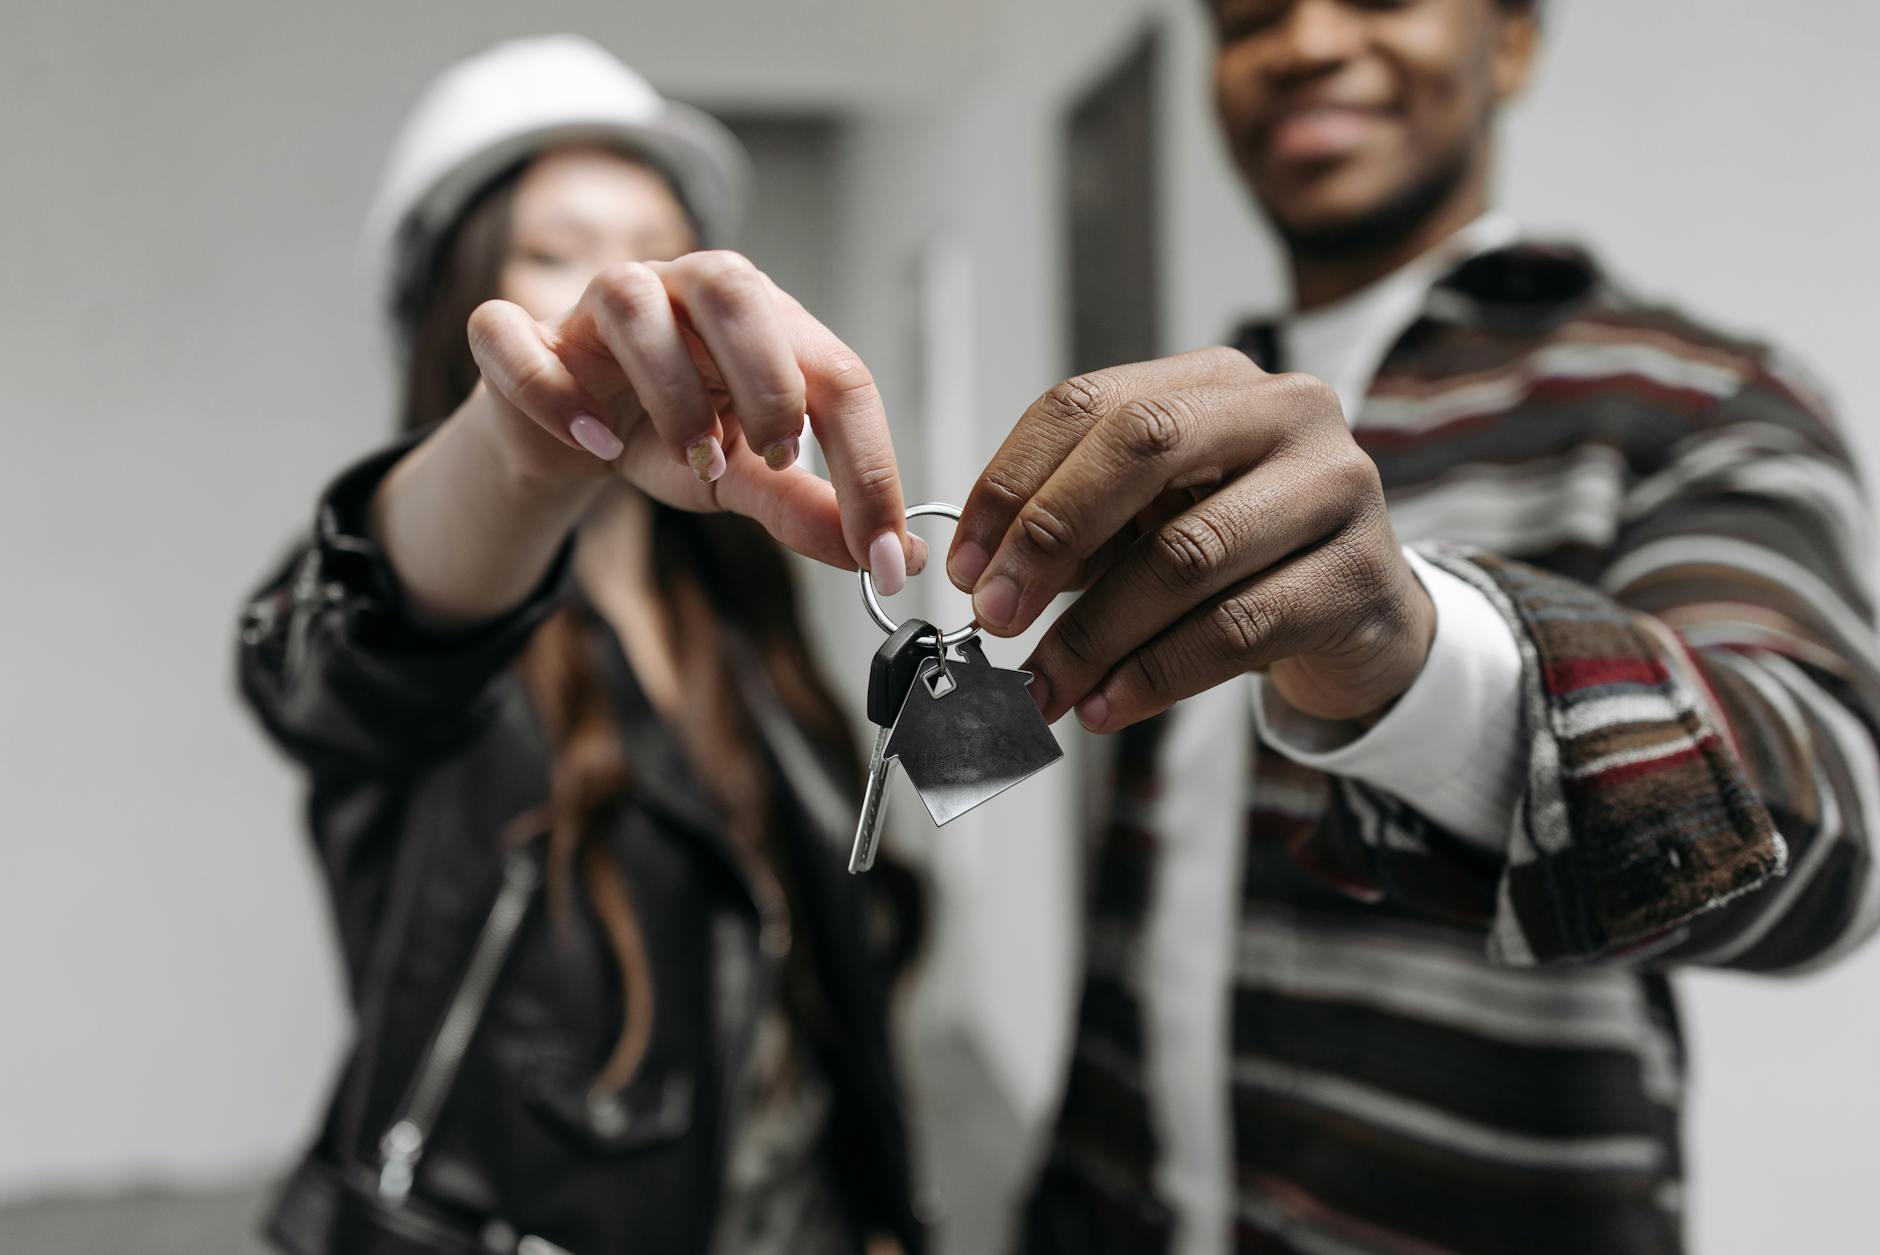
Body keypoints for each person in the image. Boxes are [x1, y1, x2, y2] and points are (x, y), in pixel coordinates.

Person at [958, 2, 1880, 1252]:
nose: (1303, 42)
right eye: (1248, 17)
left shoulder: (1691, 399)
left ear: (1510, 42)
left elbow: (1830, 838)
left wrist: (1420, 656)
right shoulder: (1178, 417)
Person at [236, 35, 928, 1255]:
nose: (629, 291)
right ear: (454, 307)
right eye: (557, 255)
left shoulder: (738, 610)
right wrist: (519, 450)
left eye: (656, 251)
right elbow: (349, 646)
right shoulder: (414, 590)